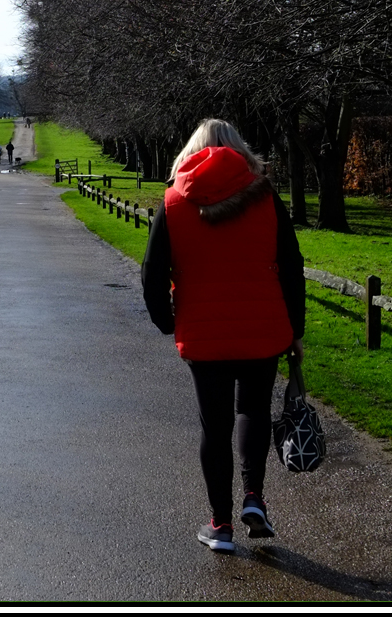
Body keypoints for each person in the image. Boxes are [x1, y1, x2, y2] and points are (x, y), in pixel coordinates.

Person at [141, 119, 305, 554]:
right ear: (239, 150)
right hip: (263, 329)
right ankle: (254, 497)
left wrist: (165, 321)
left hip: (204, 333)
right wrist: (296, 330)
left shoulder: (175, 200)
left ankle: (221, 524)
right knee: (251, 411)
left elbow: (153, 271)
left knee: (214, 427)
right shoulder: (265, 195)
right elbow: (292, 265)